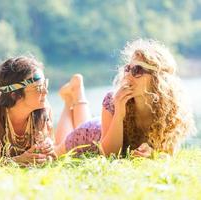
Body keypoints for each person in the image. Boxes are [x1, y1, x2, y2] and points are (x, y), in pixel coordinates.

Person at [55, 39, 196, 157]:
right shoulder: (113, 100)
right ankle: (68, 102)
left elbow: (168, 154)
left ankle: (77, 92)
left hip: (101, 126)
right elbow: (109, 154)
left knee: (83, 122)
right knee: (57, 152)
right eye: (128, 68)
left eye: (137, 70)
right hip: (90, 135)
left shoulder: (171, 108)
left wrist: (152, 154)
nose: (128, 75)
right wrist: (119, 113)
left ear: (157, 79)